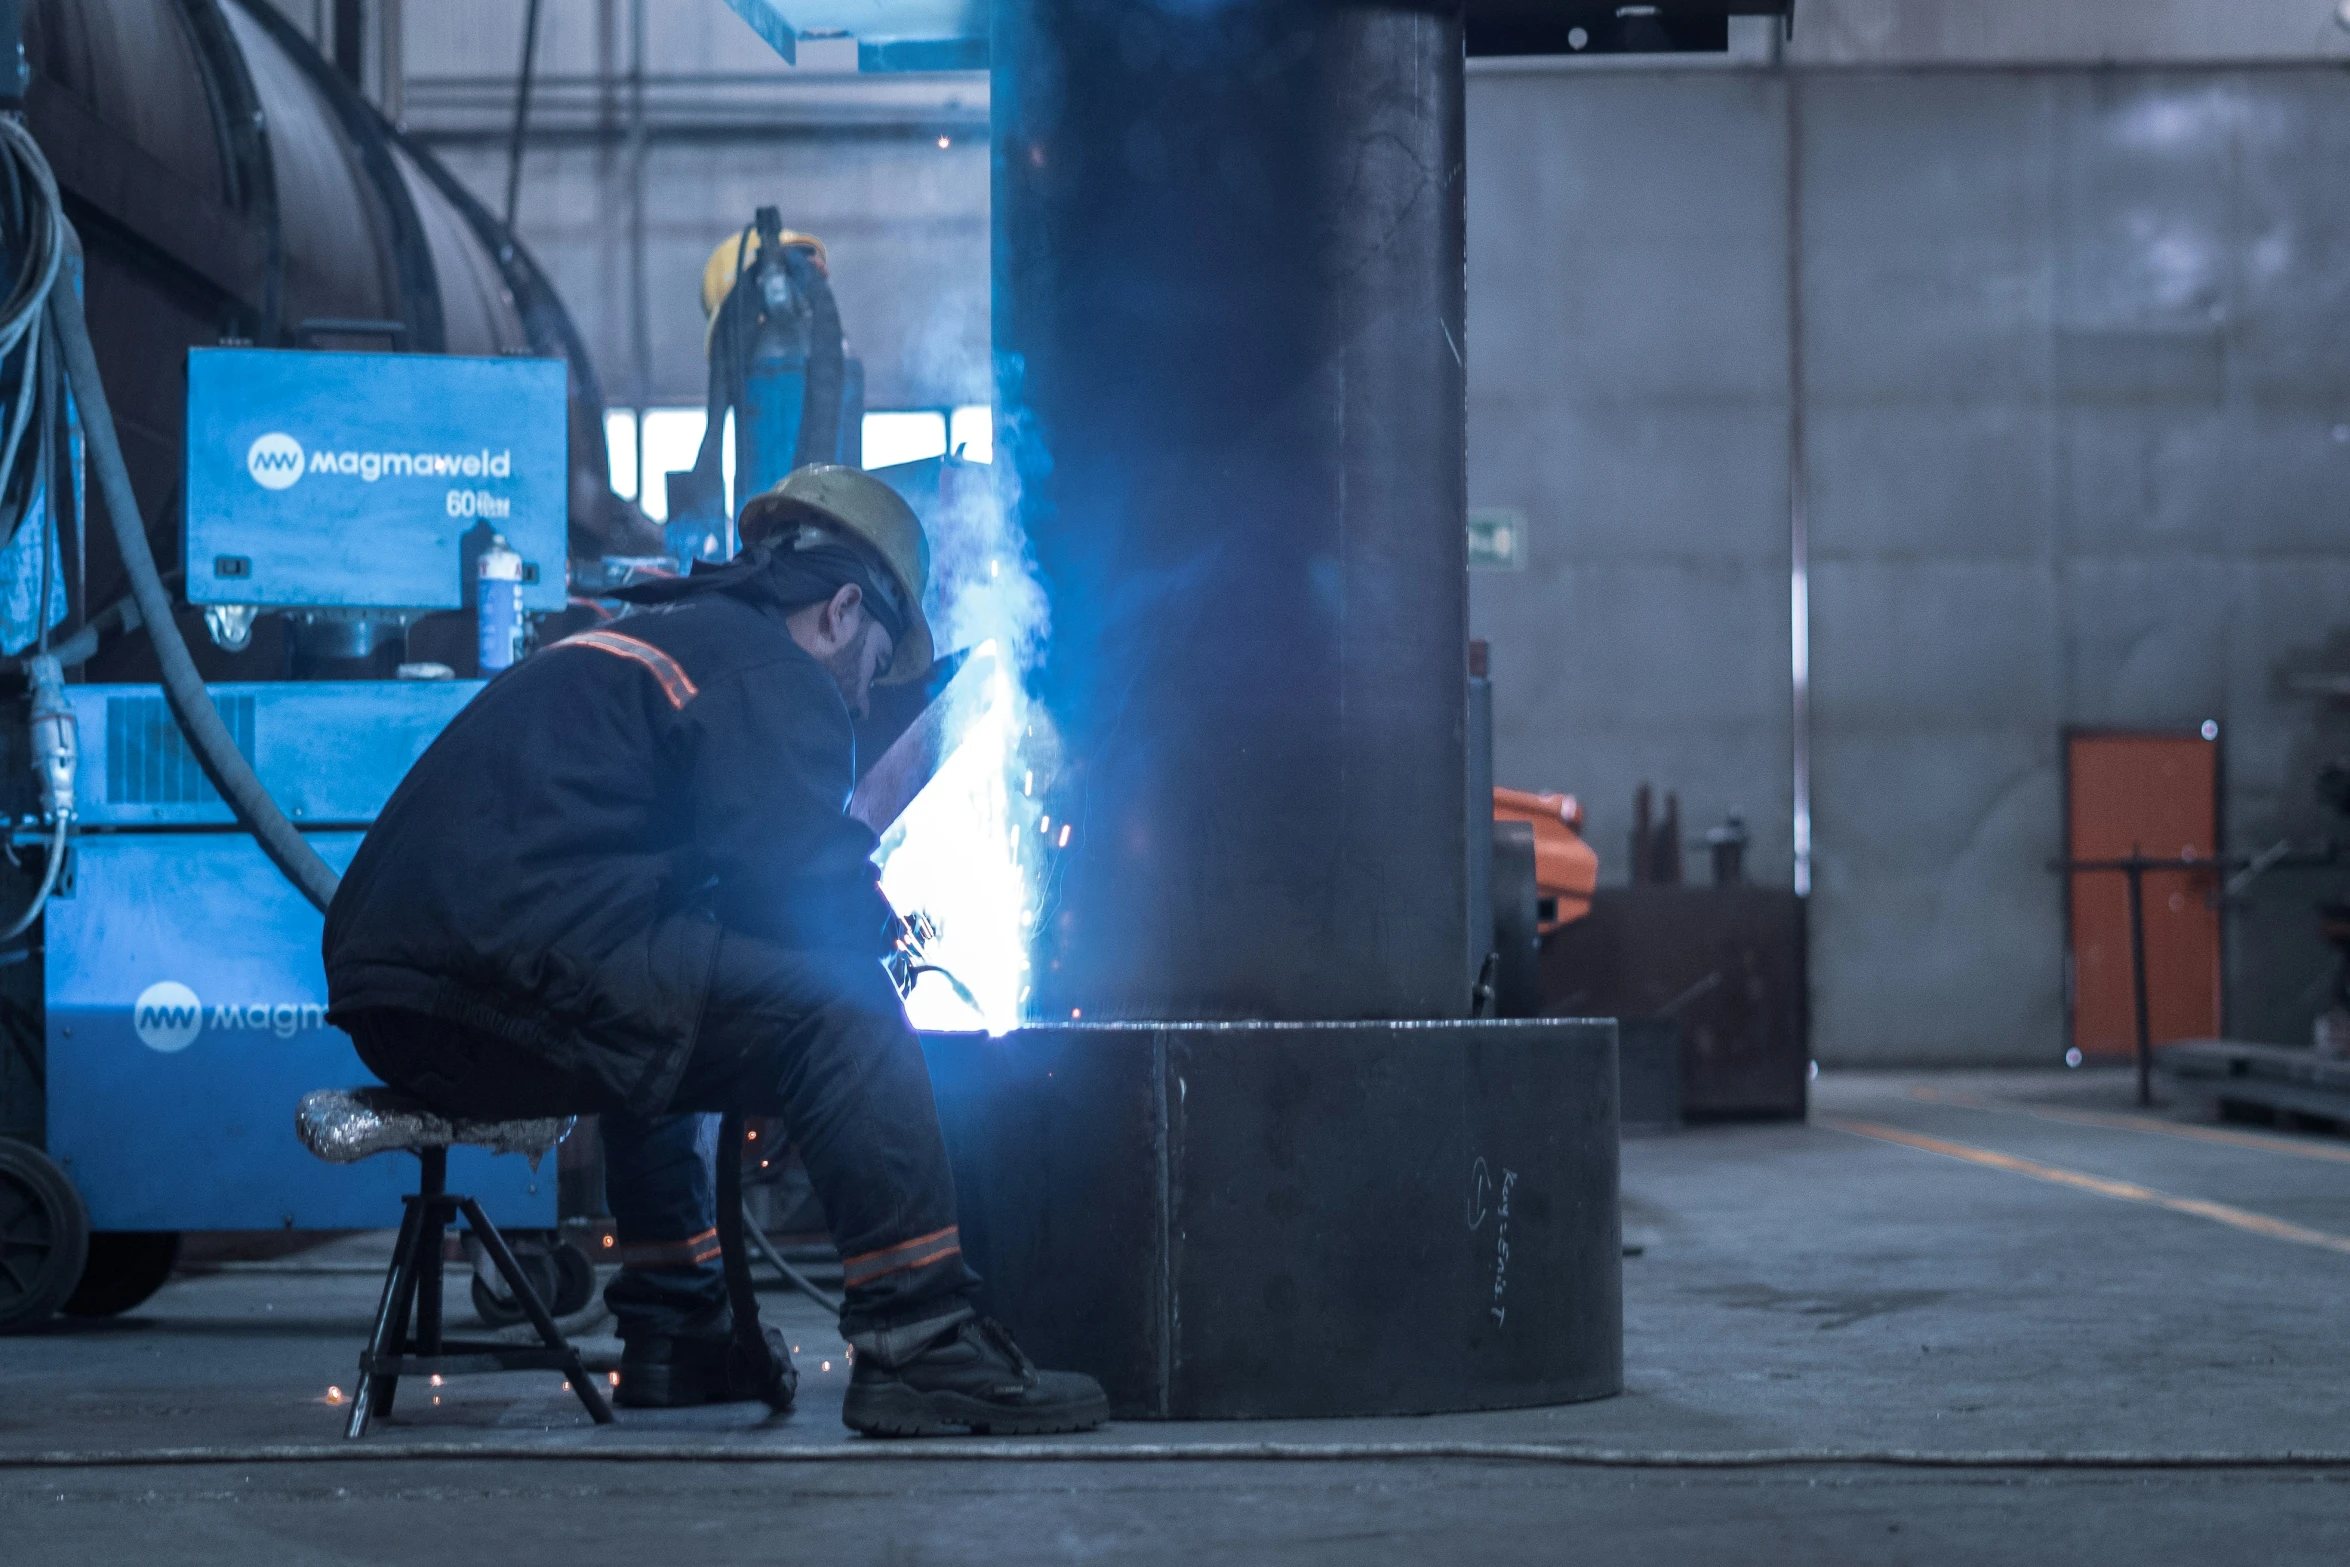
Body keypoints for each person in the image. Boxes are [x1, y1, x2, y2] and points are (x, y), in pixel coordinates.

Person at [322, 463, 1106, 1436]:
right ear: (841, 610)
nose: (864, 702)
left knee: (676, 1001)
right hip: (489, 967)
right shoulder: (769, 669)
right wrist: (873, 935)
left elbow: (728, 881)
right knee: (843, 1006)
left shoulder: (658, 637)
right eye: (873, 667)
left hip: (406, 996)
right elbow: (793, 876)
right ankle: (923, 1341)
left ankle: (678, 1332)